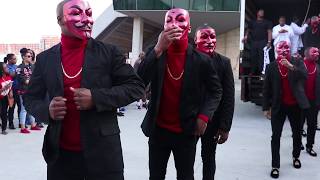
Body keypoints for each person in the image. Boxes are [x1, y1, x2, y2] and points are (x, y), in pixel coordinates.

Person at [24, 0, 144, 179]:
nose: (86, 19)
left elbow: (136, 87)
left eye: (88, 13)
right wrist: (46, 110)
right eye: (76, 13)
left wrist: (96, 97)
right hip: (61, 157)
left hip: (104, 155)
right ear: (60, 20)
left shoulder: (109, 52)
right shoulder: (44, 59)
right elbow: (30, 98)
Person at [138, 8, 222, 180]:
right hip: (158, 131)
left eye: (180, 20)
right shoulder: (155, 53)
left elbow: (216, 91)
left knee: (185, 176)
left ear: (189, 28)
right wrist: (158, 49)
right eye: (169, 20)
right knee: (155, 175)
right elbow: (138, 82)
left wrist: (204, 116)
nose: (174, 24)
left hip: (186, 132)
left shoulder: (201, 60)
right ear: (164, 27)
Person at [263, 41, 309, 178]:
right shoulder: (271, 67)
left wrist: (291, 66)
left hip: (295, 105)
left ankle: (296, 157)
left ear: (290, 49)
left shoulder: (297, 61)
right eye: (281, 48)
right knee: (275, 135)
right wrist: (266, 107)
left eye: (286, 48)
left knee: (297, 133)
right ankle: (275, 166)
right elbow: (266, 89)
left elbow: (305, 75)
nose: (284, 50)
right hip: (279, 106)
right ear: (276, 49)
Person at [194, 25, 235, 180]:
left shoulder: (224, 63)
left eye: (212, 36)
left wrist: (225, 127)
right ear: (195, 40)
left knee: (209, 158)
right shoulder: (188, 59)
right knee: (186, 160)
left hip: (213, 122)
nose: (210, 40)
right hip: (190, 121)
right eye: (204, 37)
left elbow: (228, 97)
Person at [300, 47, 320, 157]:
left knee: (312, 125)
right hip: (301, 101)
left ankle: (309, 146)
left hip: (313, 102)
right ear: (307, 54)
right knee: (298, 124)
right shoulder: (300, 65)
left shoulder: (318, 68)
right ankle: (298, 143)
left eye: (318, 52)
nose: (317, 54)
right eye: (314, 52)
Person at [16, 50, 41, 133]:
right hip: (24, 91)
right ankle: (22, 128)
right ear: (23, 57)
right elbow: (22, 79)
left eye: (31, 56)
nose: (31, 57)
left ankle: (33, 125)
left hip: (32, 90)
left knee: (31, 108)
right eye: (29, 56)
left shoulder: (32, 66)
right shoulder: (19, 67)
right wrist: (30, 80)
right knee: (24, 109)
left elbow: (36, 77)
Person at [243, 9, 272, 75]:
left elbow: (269, 32)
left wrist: (269, 42)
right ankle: (252, 71)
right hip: (254, 42)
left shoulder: (267, 22)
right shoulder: (252, 22)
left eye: (263, 12)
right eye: (260, 12)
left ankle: (262, 72)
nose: (262, 13)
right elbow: (248, 30)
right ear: (257, 13)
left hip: (263, 41)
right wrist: (246, 36)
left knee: (262, 57)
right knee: (253, 56)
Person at [5, 53, 18, 130]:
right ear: (9, 60)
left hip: (16, 90)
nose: (15, 60)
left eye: (15, 58)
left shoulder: (16, 67)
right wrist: (18, 72)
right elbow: (11, 75)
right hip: (8, 90)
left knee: (13, 107)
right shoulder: (5, 67)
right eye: (13, 59)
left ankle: (12, 123)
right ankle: (7, 123)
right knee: (6, 107)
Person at [0, 62, 13, 135]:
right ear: (1, 70)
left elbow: (10, 87)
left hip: (5, 97)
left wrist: (10, 91)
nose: (7, 68)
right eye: (5, 67)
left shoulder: (8, 77)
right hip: (1, 97)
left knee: (4, 113)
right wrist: (4, 88)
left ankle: (3, 129)